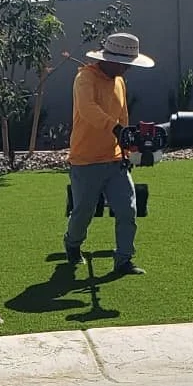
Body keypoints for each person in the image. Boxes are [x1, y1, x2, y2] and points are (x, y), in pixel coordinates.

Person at [65, 32, 156, 276]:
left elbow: (123, 117)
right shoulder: (85, 78)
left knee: (127, 209)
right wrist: (115, 128)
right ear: (108, 58)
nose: (126, 69)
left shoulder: (119, 82)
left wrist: (127, 147)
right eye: (123, 64)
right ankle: (72, 244)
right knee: (83, 212)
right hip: (85, 159)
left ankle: (124, 259)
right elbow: (87, 110)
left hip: (115, 159)